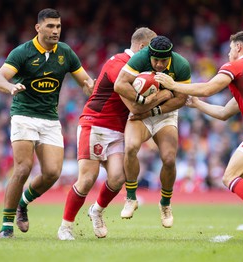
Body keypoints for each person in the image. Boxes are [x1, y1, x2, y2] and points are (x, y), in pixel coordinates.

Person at [155, 31, 243, 241]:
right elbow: (224, 113)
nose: (228, 53)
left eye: (229, 49)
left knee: (229, 176)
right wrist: (196, 103)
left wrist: (173, 85)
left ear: (238, 47)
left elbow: (209, 88)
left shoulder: (237, 66)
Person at [57, 27, 172, 240]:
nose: (155, 55)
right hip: (96, 123)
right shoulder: (119, 63)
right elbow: (137, 108)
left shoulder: (143, 70)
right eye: (152, 50)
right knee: (87, 179)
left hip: (118, 129)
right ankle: (66, 227)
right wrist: (163, 94)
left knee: (119, 178)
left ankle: (96, 211)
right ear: (142, 47)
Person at [0, 8, 94, 239]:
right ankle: (6, 225)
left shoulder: (65, 52)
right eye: (50, 26)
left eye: (58, 26)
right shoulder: (23, 52)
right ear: (38, 28)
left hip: (49, 117)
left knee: (52, 172)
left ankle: (23, 203)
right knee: (24, 167)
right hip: (24, 114)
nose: (55, 30)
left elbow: (84, 80)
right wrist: (11, 87)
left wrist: (90, 86)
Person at [114, 35, 191, 228]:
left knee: (169, 159)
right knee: (130, 147)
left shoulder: (181, 65)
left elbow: (181, 99)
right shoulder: (140, 57)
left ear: (170, 57)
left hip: (165, 114)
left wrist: (152, 108)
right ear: (149, 54)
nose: (158, 64)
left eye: (163, 61)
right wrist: (144, 101)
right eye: (155, 60)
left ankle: (165, 204)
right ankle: (131, 198)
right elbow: (119, 85)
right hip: (141, 112)